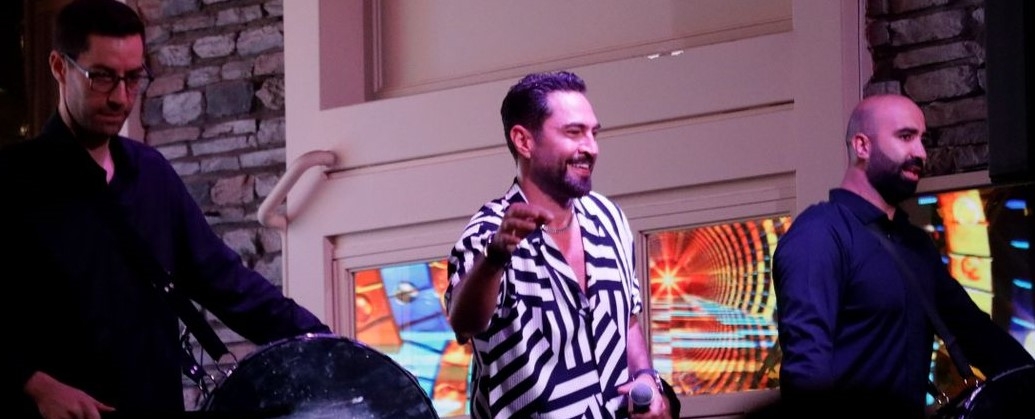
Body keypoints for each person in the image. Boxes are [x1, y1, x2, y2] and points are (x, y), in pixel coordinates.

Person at [0, 1, 331, 418]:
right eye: (101, 77)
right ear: (59, 67)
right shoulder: (10, 181)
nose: (120, 97)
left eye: (132, 78)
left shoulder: (151, 174)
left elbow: (228, 284)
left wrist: (330, 346)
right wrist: (36, 384)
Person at [771, 94, 1035, 417]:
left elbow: (978, 334)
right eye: (906, 137)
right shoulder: (820, 233)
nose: (920, 153)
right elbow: (807, 370)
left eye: (923, 140)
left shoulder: (914, 245)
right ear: (862, 146)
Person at [445, 71, 671, 419]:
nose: (590, 148)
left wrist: (645, 378)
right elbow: (464, 323)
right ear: (524, 141)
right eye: (574, 132)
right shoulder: (489, 232)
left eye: (593, 133)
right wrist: (495, 257)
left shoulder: (608, 217)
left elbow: (627, 320)